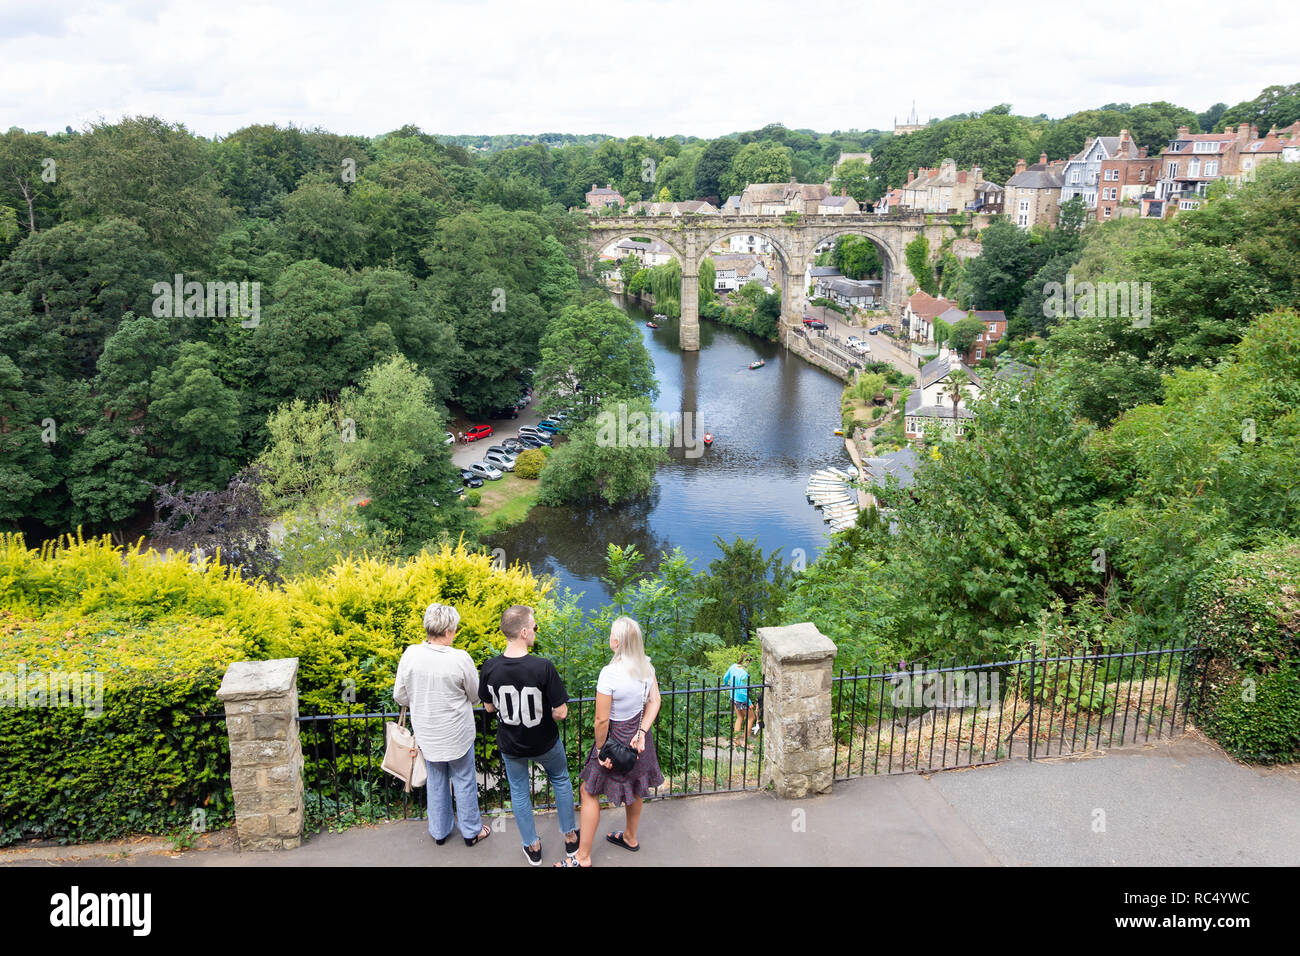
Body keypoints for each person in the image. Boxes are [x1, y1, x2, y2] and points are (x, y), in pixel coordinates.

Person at [557, 616, 663, 867]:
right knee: (637, 785)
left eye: (611, 635)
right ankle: (630, 837)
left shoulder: (610, 674)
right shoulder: (647, 666)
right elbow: (655, 701)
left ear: (615, 642)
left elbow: (601, 720)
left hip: (614, 738)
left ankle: (582, 857)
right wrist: (641, 732)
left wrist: (603, 749)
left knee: (588, 790)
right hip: (639, 738)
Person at [479, 605, 579, 865]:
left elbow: (489, 707)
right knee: (560, 780)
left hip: (511, 745)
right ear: (524, 632)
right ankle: (570, 837)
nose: (536, 630)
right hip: (545, 742)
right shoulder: (543, 667)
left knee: (520, 792)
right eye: (534, 627)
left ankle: (532, 846)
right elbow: (561, 713)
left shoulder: (490, 668)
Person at [393, 602, 490, 847]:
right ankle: (471, 832)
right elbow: (475, 696)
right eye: (454, 629)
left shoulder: (410, 655)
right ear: (448, 632)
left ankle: (439, 832)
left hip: (428, 735)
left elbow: (400, 696)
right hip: (458, 734)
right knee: (465, 780)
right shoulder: (460, 659)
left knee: (436, 782)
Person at [722, 655, 757, 748]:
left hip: (733, 697)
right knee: (751, 718)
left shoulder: (733, 666)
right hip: (742, 699)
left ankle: (736, 740)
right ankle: (746, 743)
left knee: (740, 717)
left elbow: (725, 678)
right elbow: (743, 691)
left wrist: (726, 684)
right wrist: (749, 703)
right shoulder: (744, 673)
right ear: (747, 662)